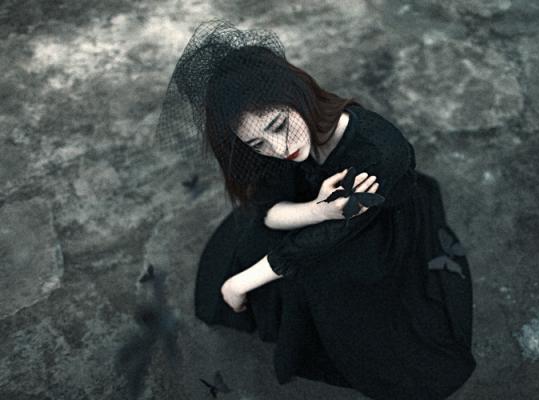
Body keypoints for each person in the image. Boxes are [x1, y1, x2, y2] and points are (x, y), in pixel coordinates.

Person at [155, 19, 476, 400]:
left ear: (298, 95)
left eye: (279, 126)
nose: (278, 148)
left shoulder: (379, 151)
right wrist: (317, 210)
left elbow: (323, 239)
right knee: (253, 238)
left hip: (381, 229)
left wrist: (241, 282)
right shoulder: (283, 146)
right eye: (258, 144)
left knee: (322, 277)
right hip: (323, 212)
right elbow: (268, 210)